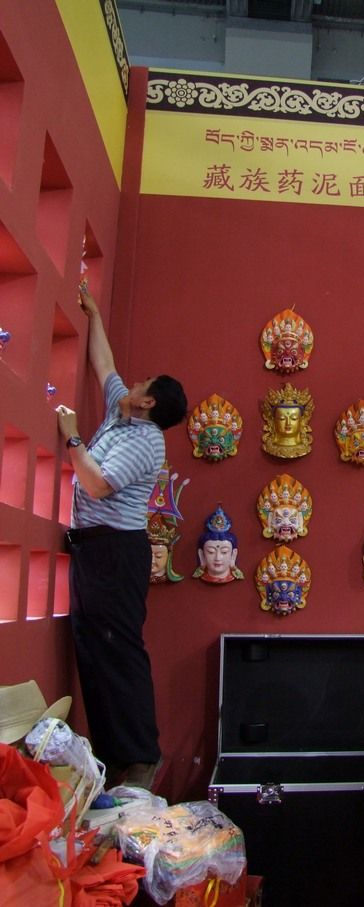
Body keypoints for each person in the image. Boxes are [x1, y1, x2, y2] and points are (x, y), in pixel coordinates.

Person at [56, 283, 187, 789]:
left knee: (117, 649)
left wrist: (71, 436)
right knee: (93, 648)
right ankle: (115, 755)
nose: (132, 380)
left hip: (114, 552)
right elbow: (104, 365)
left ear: (148, 401)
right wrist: (93, 314)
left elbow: (95, 484)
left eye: (143, 381)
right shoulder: (122, 410)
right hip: (95, 549)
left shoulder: (146, 441)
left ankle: (140, 757)